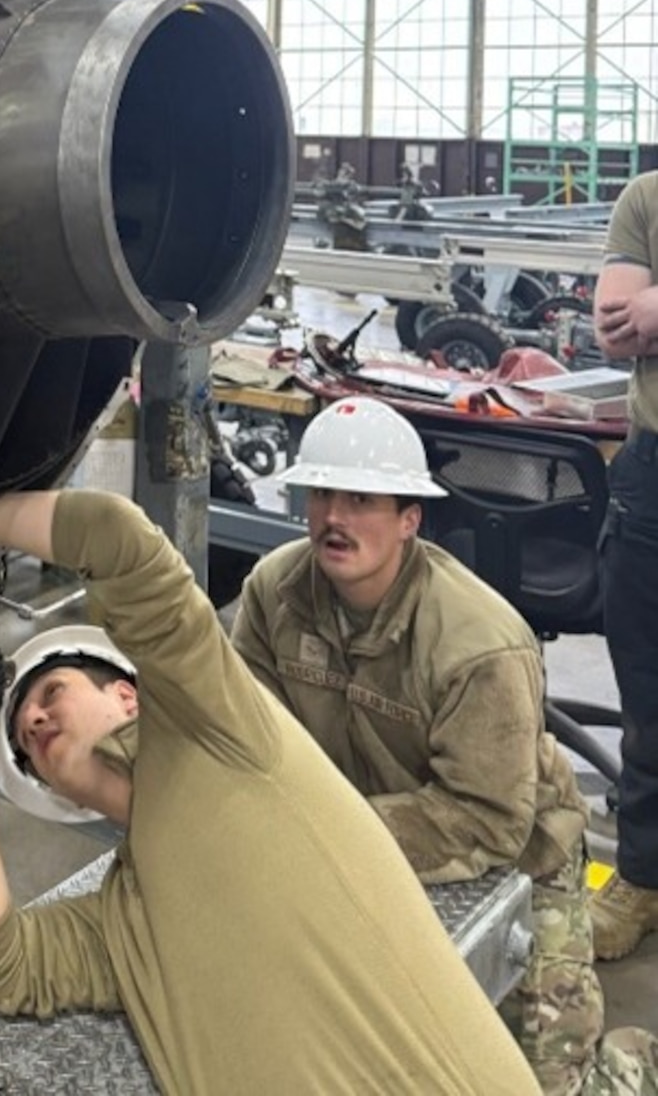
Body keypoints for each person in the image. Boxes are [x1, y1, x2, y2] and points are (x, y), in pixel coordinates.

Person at [0, 482, 542, 1096]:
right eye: (25, 740)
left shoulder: (224, 737)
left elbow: (120, 541)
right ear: (53, 796)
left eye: (53, 690)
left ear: (126, 693)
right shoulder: (123, 922)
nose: (33, 720)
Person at [232, 395, 658, 1095]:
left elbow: (490, 821)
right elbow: (251, 735)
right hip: (355, 836)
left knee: (541, 1083)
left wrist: (323, 828)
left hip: (519, 857)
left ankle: (633, 1064)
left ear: (410, 520)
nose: (335, 517)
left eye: (363, 498)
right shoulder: (274, 591)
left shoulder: (477, 642)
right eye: (322, 493)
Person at [592, 169, 658, 961]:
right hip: (650, 473)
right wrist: (639, 315)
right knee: (647, 691)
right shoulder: (645, 199)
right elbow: (614, 324)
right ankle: (644, 877)